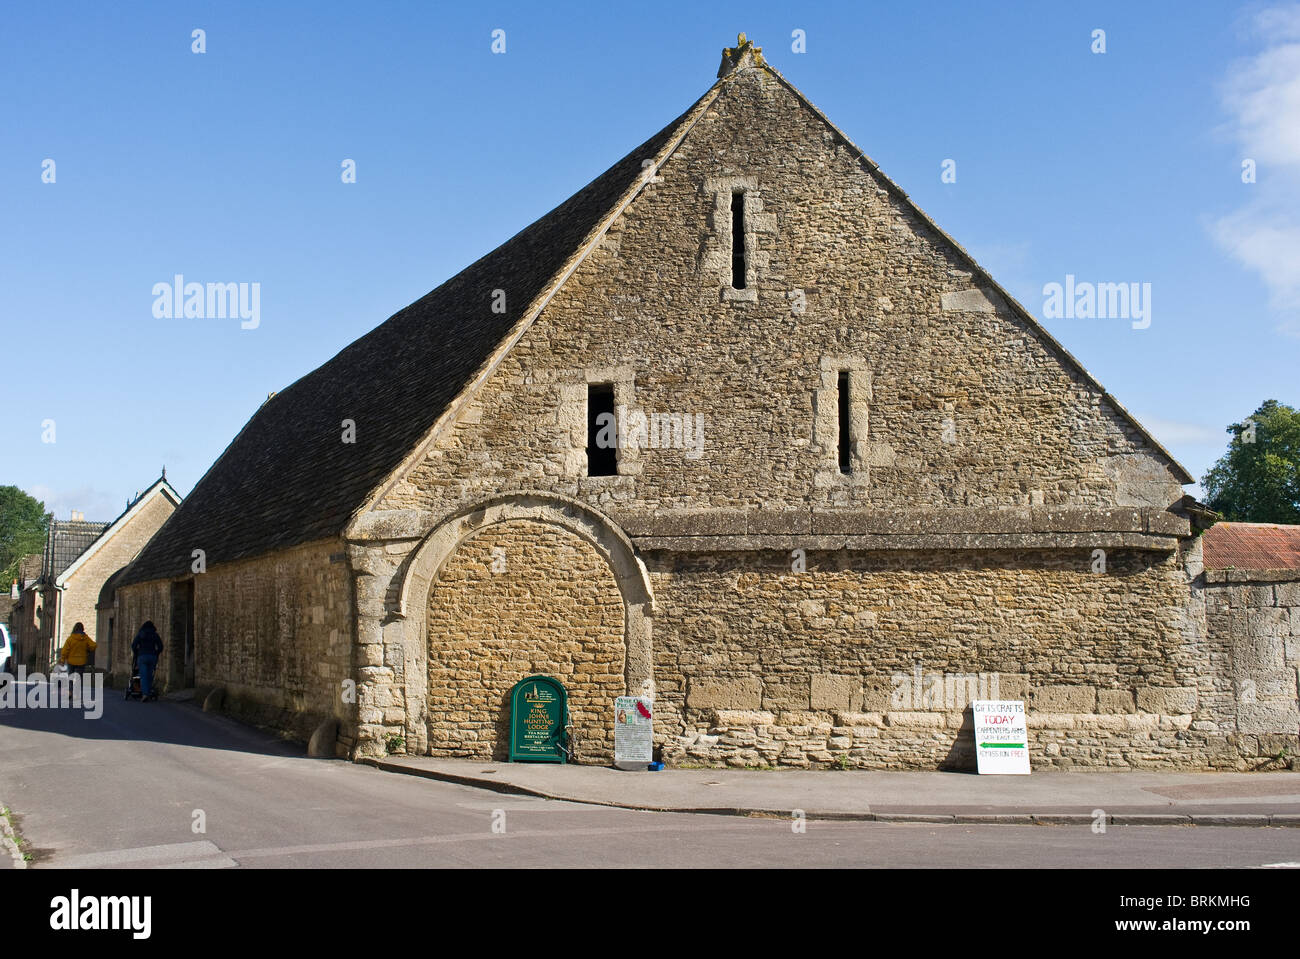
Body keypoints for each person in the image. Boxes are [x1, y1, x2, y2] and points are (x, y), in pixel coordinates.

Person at [131, 621, 164, 702]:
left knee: (143, 676)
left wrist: (137, 652)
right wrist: (156, 653)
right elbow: (160, 646)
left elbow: (134, 645)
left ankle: (145, 694)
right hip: (152, 656)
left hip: (142, 656)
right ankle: (148, 692)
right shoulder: (155, 635)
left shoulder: (141, 634)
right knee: (150, 676)